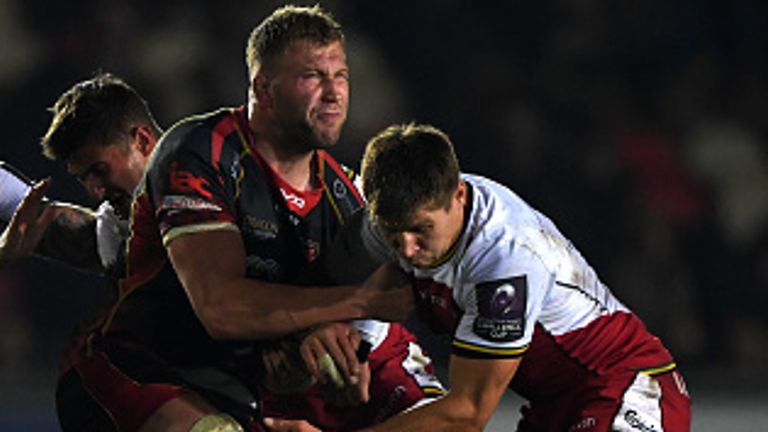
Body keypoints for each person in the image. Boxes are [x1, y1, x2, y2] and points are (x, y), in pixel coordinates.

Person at [50, 6, 443, 432]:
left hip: (247, 383)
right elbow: (221, 308)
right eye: (312, 76)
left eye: (341, 75)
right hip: (149, 374)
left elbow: (355, 322)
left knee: (434, 419)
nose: (334, 92)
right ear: (264, 89)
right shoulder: (199, 152)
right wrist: (355, 305)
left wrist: (347, 350)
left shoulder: (346, 195)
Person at [265, 123, 692, 432]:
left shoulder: (505, 260)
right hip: (551, 407)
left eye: (421, 231)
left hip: (625, 386)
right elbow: (325, 294)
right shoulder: (384, 225)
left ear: (459, 195)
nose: (408, 249)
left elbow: (467, 413)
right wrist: (336, 336)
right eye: (393, 234)